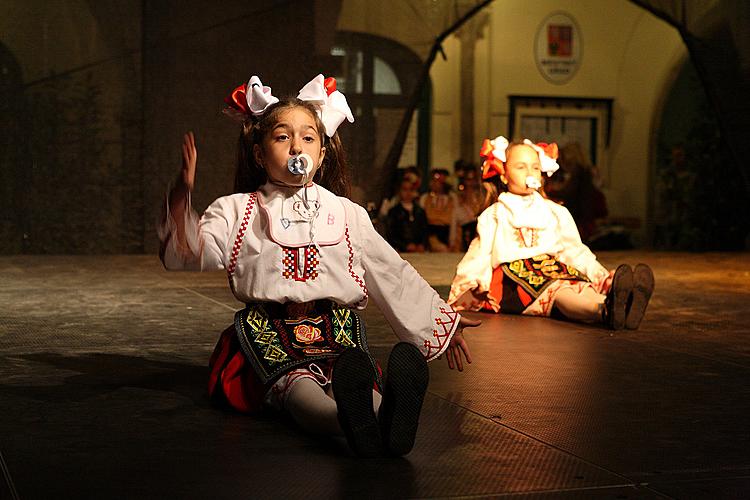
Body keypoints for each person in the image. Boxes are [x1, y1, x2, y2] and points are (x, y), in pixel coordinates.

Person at [158, 74, 479, 457]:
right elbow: (190, 252)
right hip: (270, 327)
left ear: (323, 154)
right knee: (299, 390)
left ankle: (386, 416)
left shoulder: (346, 213)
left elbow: (389, 271)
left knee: (352, 378)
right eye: (282, 137)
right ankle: (353, 421)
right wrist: (182, 195)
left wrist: (441, 321)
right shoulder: (238, 210)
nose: (297, 147)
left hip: (333, 326)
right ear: (259, 153)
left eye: (308, 138)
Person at [448, 136, 654, 330]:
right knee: (559, 291)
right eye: (521, 167)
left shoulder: (555, 212)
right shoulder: (495, 214)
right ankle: (604, 310)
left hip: (551, 268)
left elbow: (574, 250)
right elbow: (479, 253)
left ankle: (618, 303)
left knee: (579, 284)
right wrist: (470, 282)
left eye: (535, 167)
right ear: (503, 174)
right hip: (513, 278)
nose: (529, 172)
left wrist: (599, 275)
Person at [545, 142, 608, 243]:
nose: (562, 163)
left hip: (581, 225)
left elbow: (567, 197)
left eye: (566, 161)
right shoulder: (586, 175)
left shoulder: (578, 176)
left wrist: (547, 193)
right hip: (586, 221)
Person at [420, 169, 458, 252]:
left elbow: (453, 220)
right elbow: (421, 220)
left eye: (438, 181)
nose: (435, 184)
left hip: (445, 232)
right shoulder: (425, 198)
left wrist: (452, 240)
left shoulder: (452, 198)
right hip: (430, 232)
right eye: (433, 181)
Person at [386, 180, 428, 252]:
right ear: (399, 191)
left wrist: (422, 244)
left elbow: (425, 231)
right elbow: (391, 234)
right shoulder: (394, 212)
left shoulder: (420, 211)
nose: (408, 193)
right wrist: (404, 246)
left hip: (419, 251)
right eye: (405, 189)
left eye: (411, 189)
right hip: (400, 251)